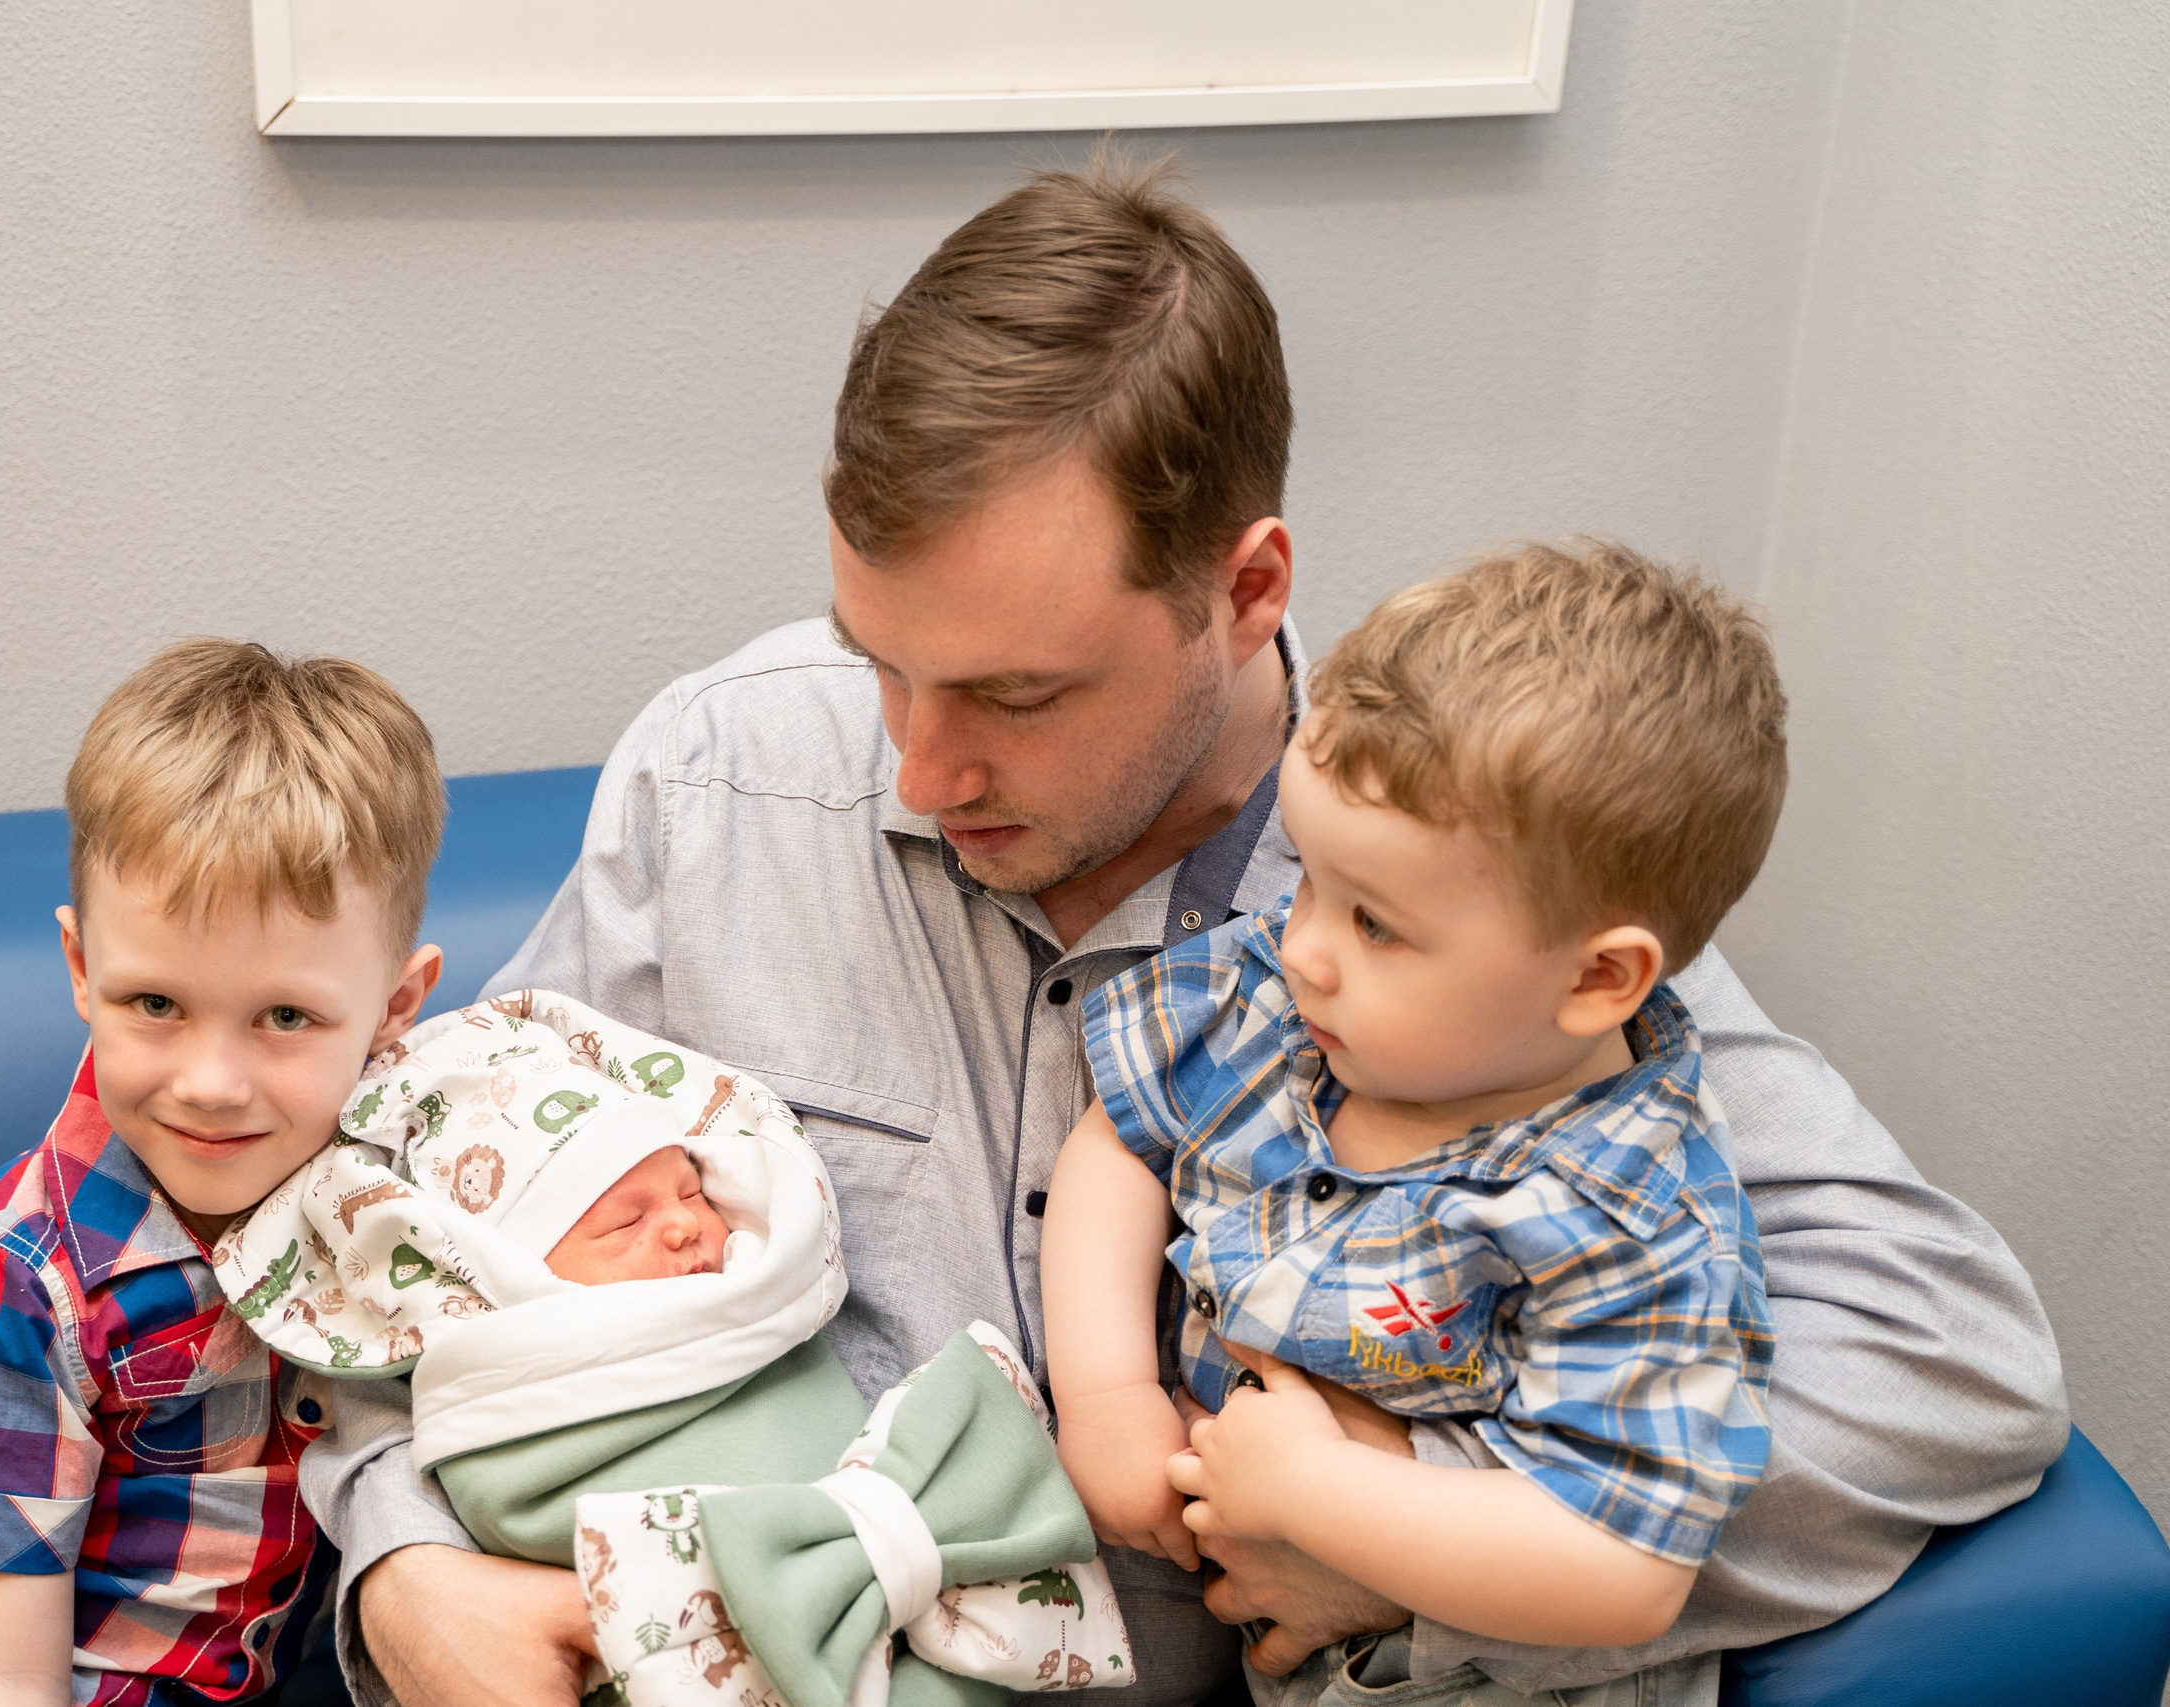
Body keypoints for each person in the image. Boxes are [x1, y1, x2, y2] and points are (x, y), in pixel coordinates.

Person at [306, 157, 2066, 1707]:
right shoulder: (722, 779)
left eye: (1015, 692)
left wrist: (1417, 1549)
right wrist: (403, 1572)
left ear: (1246, 591)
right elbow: (406, 1222)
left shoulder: (1462, 884)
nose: (918, 767)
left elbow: (1953, 1366)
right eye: (880, 662)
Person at [1046, 542, 1788, 1706]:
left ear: (1596, 981)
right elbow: (1119, 1142)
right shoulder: (1277, 1007)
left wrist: (1314, 1496)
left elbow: (1623, 1567)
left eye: (1376, 924)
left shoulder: (1624, 1218)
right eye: (1306, 878)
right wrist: (1104, 1398)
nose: (1301, 946)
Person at [0, 640, 449, 1707]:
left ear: (397, 1008)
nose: (211, 1083)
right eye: (154, 1005)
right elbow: (0, 1684)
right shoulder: (6, 1281)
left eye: (286, 1017)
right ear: (82, 969)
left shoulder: (404, 1200)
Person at [214, 989, 1133, 1706]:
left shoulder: (762, 1310)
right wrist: (410, 1576)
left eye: (692, 1190)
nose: (691, 1229)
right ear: (514, 1275)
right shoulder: (519, 1382)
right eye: (629, 1219)